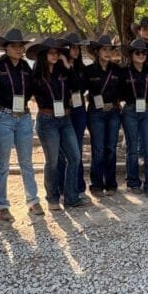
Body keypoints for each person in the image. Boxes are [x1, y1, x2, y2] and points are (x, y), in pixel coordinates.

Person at [0, 28, 42, 221]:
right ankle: (1, 205)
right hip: (2, 116)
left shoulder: (25, 67)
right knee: (2, 164)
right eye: (14, 46)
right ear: (6, 48)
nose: (19, 49)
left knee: (26, 162)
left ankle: (33, 200)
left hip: (24, 117)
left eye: (21, 46)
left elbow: (32, 88)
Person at [28, 37, 88, 210]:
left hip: (66, 119)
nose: (55, 55)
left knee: (74, 157)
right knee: (52, 161)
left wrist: (68, 66)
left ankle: (71, 197)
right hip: (47, 120)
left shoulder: (63, 71)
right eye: (51, 53)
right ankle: (52, 198)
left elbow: (78, 87)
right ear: (43, 55)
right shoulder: (36, 75)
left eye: (57, 52)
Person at [120, 39, 148, 197]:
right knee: (132, 149)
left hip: (147, 111)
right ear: (131, 54)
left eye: (144, 53)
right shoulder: (124, 72)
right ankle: (133, 182)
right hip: (130, 111)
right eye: (138, 52)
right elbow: (118, 92)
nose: (141, 55)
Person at [84, 34, 122, 196]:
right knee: (98, 148)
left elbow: (123, 90)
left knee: (111, 148)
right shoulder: (89, 70)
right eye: (104, 49)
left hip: (113, 112)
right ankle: (96, 184)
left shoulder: (117, 70)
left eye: (109, 50)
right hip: (96, 113)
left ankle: (111, 183)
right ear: (97, 52)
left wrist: (116, 101)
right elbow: (82, 90)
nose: (107, 53)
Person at [57, 32, 90, 200]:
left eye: (78, 48)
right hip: (62, 110)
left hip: (78, 110)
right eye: (73, 47)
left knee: (76, 148)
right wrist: (64, 64)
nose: (76, 51)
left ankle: (78, 185)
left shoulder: (81, 68)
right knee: (61, 150)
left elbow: (80, 87)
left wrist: (69, 68)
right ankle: (61, 186)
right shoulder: (57, 67)